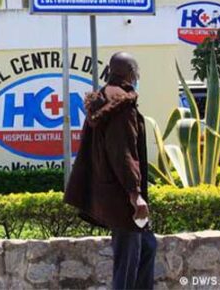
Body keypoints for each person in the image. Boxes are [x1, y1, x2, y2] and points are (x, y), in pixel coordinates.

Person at [64, 52, 156, 290]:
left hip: (108, 191)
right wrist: (135, 195)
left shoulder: (104, 100)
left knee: (147, 247)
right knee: (127, 262)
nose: (138, 77)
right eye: (136, 72)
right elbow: (123, 154)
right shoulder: (122, 108)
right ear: (130, 74)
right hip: (122, 197)